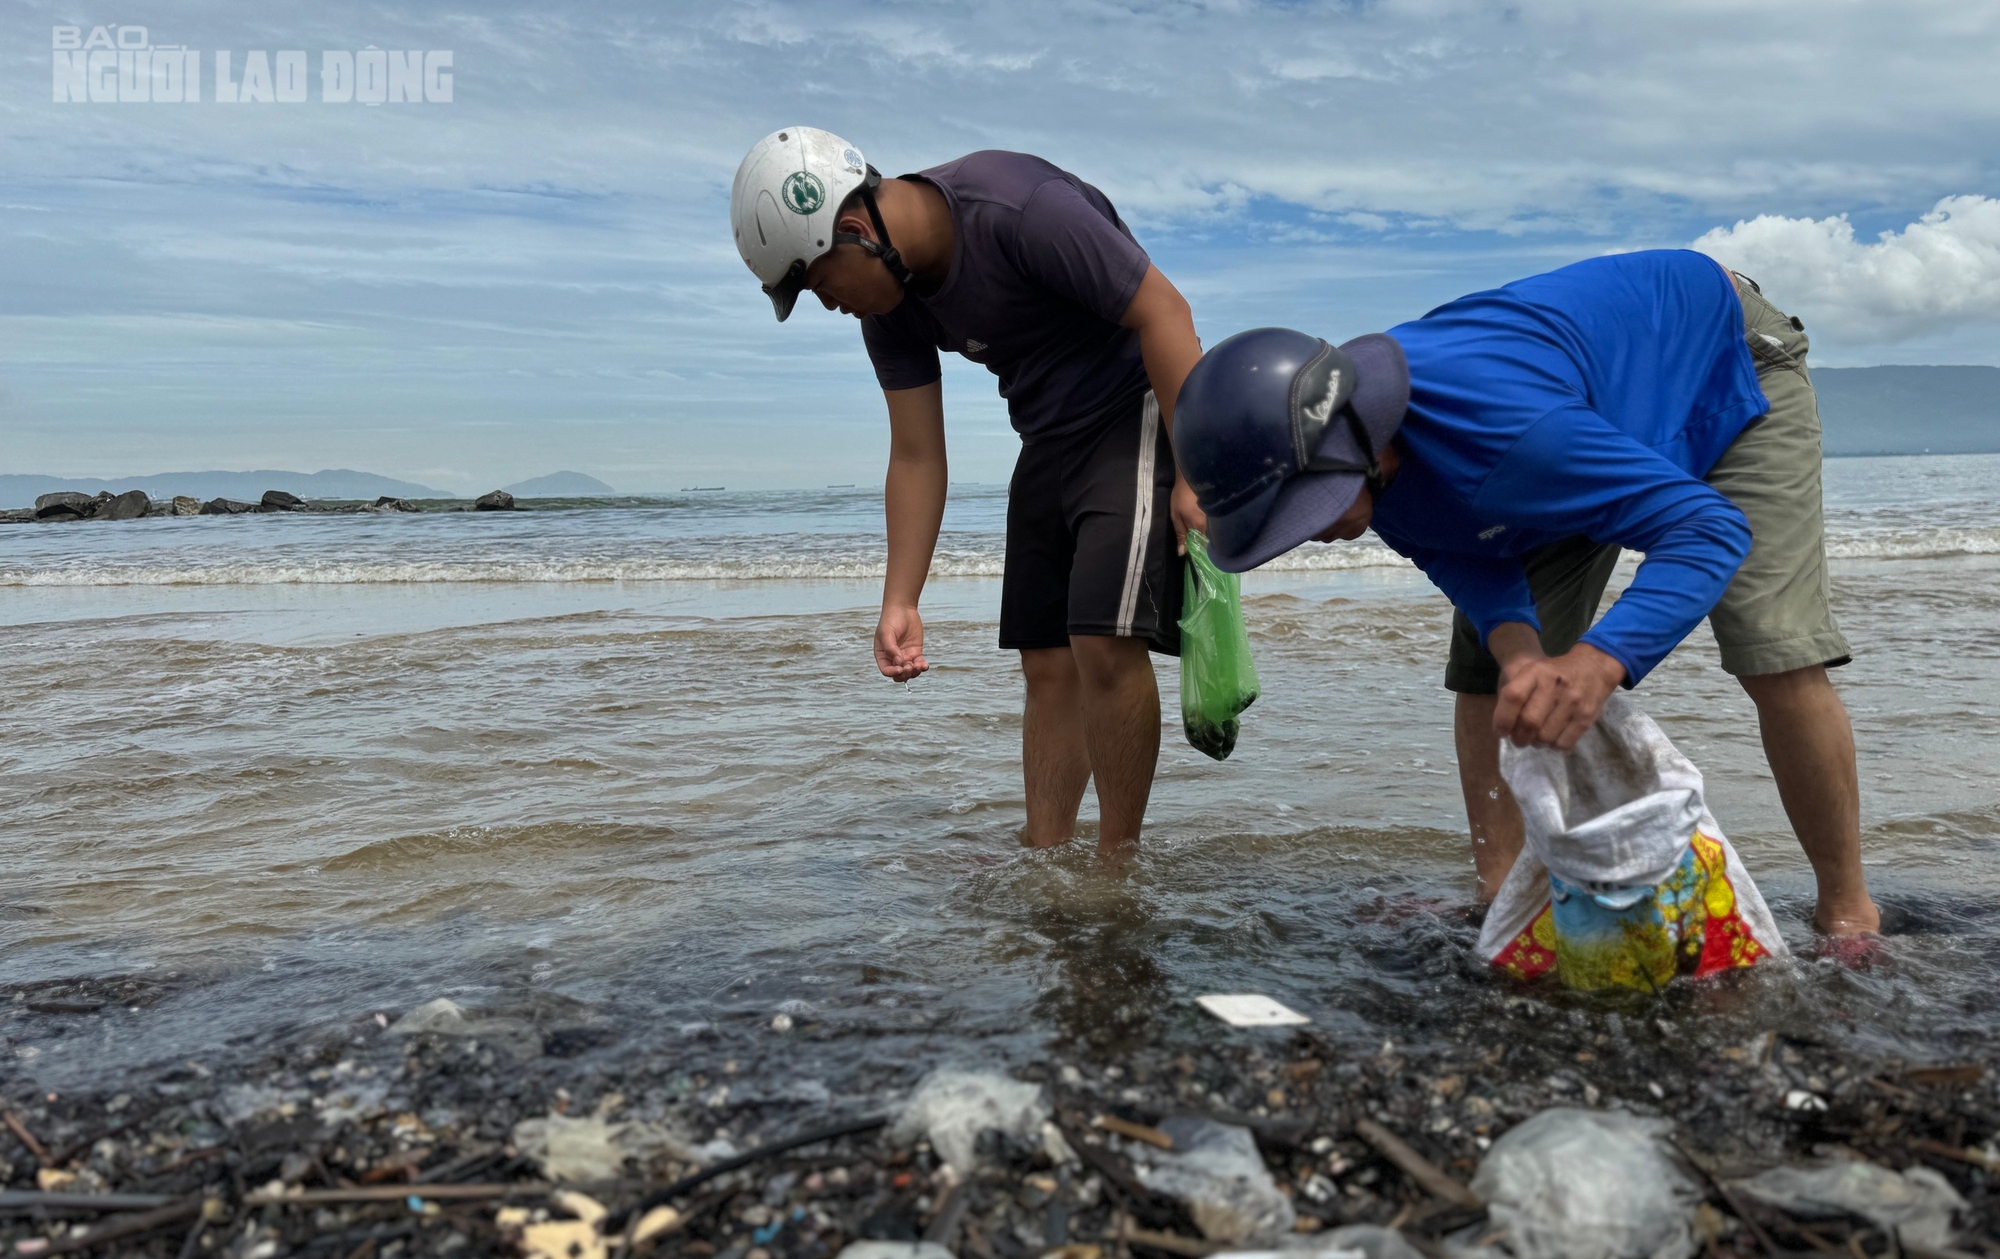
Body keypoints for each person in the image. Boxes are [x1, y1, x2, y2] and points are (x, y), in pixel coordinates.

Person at [1168, 248, 1880, 937]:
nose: (1309, 533)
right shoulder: (1369, 451)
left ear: (1352, 449)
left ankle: (1849, 912)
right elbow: (1467, 558)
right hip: (1578, 415)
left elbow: (1707, 527)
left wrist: (1601, 661)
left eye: (1306, 508)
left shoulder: (1513, 440)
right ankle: (1502, 898)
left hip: (1725, 359)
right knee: (1491, 669)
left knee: (1772, 644)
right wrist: (1520, 652)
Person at [729, 128, 1206, 859]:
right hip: (1047, 437)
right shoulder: (889, 310)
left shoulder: (1019, 208)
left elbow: (1164, 311)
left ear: (856, 231)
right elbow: (917, 453)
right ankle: (1044, 854)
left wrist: (1198, 473)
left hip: (1136, 408)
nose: (831, 308)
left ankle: (1118, 866)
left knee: (1101, 642)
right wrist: (900, 597)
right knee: (1044, 661)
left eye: (822, 287)